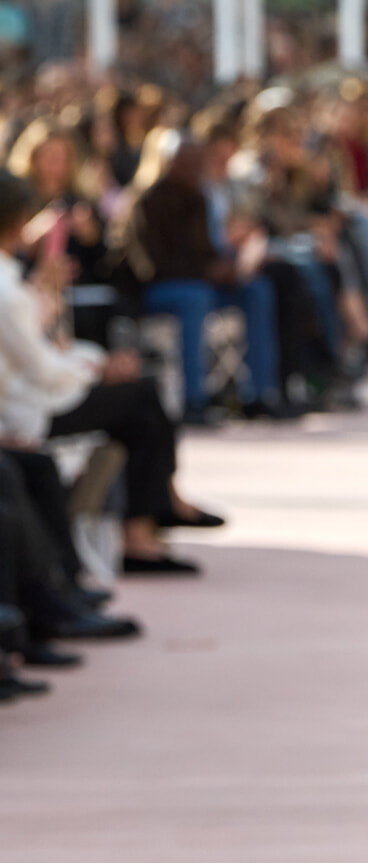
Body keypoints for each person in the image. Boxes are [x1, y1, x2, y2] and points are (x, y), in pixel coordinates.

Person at [0, 171, 220, 576]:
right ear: (17, 223)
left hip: (38, 393)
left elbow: (45, 353)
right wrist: (97, 368)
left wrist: (89, 359)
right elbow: (41, 369)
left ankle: (147, 523)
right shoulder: (7, 289)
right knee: (141, 400)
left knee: (141, 403)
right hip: (26, 408)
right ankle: (145, 525)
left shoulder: (12, 282)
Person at [125, 137, 282, 422]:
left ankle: (260, 393)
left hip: (201, 283)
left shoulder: (199, 198)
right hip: (161, 290)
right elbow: (150, 266)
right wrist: (207, 272)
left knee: (257, 289)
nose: (195, 170)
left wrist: (230, 266)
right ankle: (193, 399)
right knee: (196, 297)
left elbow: (207, 252)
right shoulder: (148, 201)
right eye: (187, 163)